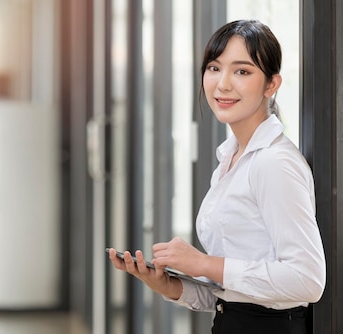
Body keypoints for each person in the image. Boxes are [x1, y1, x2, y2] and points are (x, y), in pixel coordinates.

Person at [107, 19, 326, 334]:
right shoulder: (231, 158)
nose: (223, 84)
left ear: (271, 84)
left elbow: (307, 280)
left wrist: (202, 263)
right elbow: (237, 293)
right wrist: (169, 285)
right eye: (214, 68)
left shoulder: (273, 163)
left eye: (242, 71)